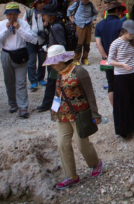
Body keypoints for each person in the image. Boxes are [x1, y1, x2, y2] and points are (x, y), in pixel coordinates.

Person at [43, 45, 103, 190]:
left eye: (53, 61)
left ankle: (95, 163)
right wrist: (53, 110)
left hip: (79, 114)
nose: (52, 65)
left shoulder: (80, 72)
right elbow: (57, 92)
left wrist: (95, 114)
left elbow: (90, 94)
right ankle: (71, 176)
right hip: (62, 115)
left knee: (82, 143)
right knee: (62, 144)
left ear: (61, 60)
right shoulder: (55, 72)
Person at [0, 3, 35, 118]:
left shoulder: (24, 24)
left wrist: (19, 28)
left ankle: (23, 107)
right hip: (6, 54)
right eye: (9, 14)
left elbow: (30, 38)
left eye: (14, 14)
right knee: (9, 81)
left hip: (21, 53)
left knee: (21, 82)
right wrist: (7, 29)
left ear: (18, 14)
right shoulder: (1, 24)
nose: (11, 17)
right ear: (6, 15)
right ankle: (12, 103)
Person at [36, 2, 67, 112]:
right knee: (53, 81)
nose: (43, 16)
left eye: (45, 14)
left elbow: (61, 44)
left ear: (51, 15)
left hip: (56, 60)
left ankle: (47, 104)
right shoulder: (55, 25)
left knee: (52, 81)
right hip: (56, 59)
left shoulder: (56, 27)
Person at [95, 0, 126, 107]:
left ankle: (115, 108)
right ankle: (123, 107)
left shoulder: (99, 25)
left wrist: (106, 57)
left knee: (111, 84)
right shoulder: (122, 24)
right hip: (121, 59)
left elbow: (98, 44)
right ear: (117, 11)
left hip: (107, 60)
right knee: (123, 84)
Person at [26, 0, 49, 91]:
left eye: (44, 2)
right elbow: (24, 25)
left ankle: (40, 78)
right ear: (35, 3)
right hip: (31, 41)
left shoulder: (46, 13)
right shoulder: (29, 13)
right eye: (40, 2)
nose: (42, 4)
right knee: (31, 62)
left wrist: (47, 24)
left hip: (42, 41)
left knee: (42, 61)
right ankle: (33, 81)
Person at [68, 0, 98, 66]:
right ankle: (76, 59)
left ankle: (85, 58)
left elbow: (95, 13)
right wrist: (71, 19)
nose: (85, 1)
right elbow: (69, 10)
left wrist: (93, 20)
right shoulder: (77, 4)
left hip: (88, 25)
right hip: (79, 25)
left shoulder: (91, 5)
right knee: (79, 43)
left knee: (87, 43)